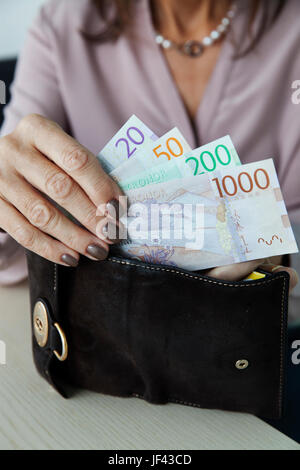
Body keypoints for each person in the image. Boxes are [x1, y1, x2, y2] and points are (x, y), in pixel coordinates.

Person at [0, 0, 299, 443]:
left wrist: (281, 251)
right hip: (105, 375)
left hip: (267, 363)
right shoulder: (63, 24)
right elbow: (10, 249)